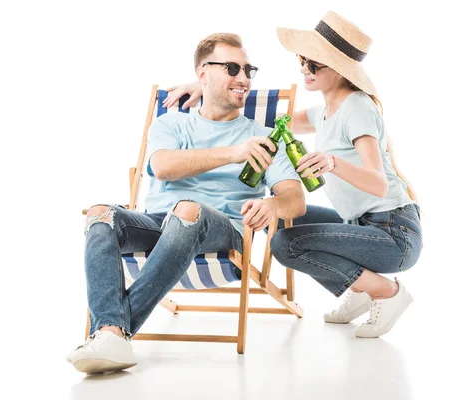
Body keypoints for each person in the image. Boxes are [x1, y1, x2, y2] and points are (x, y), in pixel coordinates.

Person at [163, 12, 422, 339]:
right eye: (302, 61)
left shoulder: (357, 108)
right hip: (360, 225)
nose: (304, 69)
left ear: (339, 71)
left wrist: (332, 162)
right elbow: (267, 116)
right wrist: (205, 85)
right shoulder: (325, 110)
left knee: (287, 244)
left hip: (393, 234)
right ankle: (358, 288)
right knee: (286, 215)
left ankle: (386, 291)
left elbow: (378, 182)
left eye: (313, 65)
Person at [67, 33, 305, 374]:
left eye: (249, 70)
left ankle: (109, 332)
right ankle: (112, 333)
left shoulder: (266, 138)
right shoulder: (170, 123)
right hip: (159, 224)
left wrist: (273, 206)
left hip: (223, 228)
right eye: (232, 68)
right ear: (202, 74)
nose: (244, 78)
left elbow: (295, 199)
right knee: (99, 214)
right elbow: (162, 165)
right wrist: (232, 153)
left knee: (188, 209)